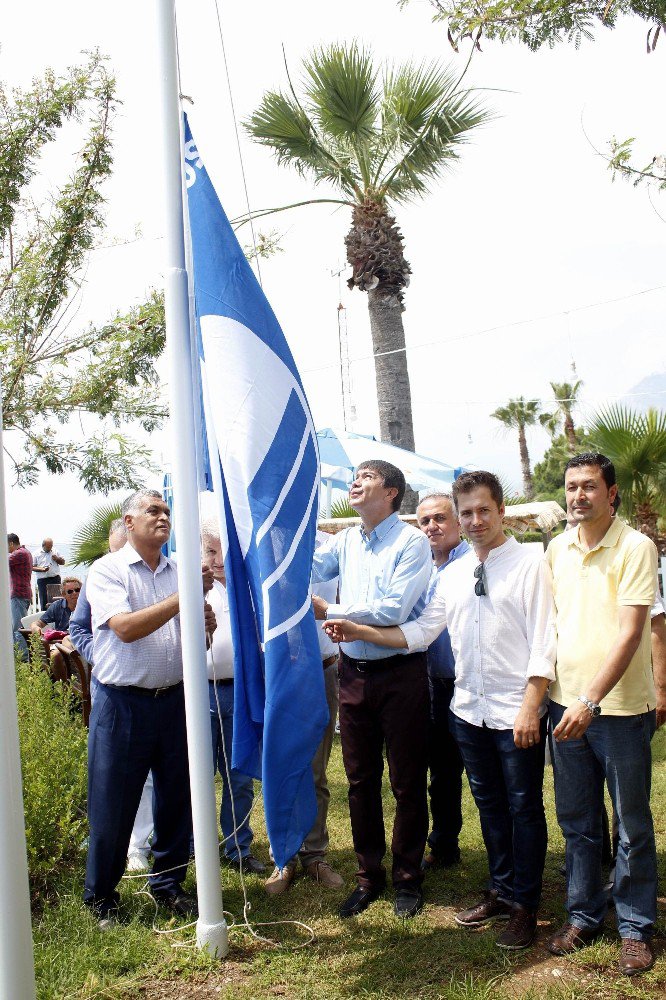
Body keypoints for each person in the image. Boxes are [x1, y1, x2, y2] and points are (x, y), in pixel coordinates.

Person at [324, 471, 556, 950]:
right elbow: (422, 632)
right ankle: (502, 888)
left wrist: (532, 705)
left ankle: (525, 907)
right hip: (468, 709)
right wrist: (358, 632)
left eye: (482, 511)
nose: (474, 521)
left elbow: (544, 641)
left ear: (501, 511)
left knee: (524, 809)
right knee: (490, 808)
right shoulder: (449, 573)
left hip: (516, 710)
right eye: (466, 512)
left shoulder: (530, 563)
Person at [545, 453, 659, 976]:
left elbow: (630, 632)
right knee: (577, 820)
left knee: (630, 822)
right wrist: (560, 699)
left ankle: (635, 926)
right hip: (563, 709)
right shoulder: (556, 550)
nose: (578, 496)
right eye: (572, 487)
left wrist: (589, 702)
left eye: (589, 486)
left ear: (611, 493)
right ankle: (585, 913)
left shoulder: (636, 547)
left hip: (616, 711)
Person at [83, 489, 215, 928]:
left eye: (166, 511)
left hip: (175, 699)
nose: (162, 518)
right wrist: (186, 598)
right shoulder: (107, 571)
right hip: (123, 703)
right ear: (128, 521)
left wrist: (204, 623)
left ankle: (169, 884)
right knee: (114, 803)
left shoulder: (180, 571)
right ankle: (101, 897)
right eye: (152, 511)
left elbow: (198, 636)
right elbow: (123, 629)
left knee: (178, 796)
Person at [312, 460, 432, 919]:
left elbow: (394, 608)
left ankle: (407, 878)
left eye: (366, 478)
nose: (354, 483)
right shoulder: (343, 541)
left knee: (405, 782)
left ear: (392, 493)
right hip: (354, 674)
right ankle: (369, 877)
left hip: (400, 675)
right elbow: (305, 566)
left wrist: (332, 609)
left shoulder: (412, 541)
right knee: (360, 782)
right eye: (354, 478)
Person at [265, 529, 345, 894]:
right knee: (280, 768)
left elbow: (350, 603)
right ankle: (283, 858)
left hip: (322, 671)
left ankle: (315, 855)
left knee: (315, 770)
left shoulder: (334, 546)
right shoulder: (266, 542)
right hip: (279, 673)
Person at [200, 521, 265, 875]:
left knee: (238, 775)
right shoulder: (194, 588)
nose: (218, 559)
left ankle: (238, 846)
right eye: (210, 551)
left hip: (240, 693)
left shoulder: (250, 589)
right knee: (199, 774)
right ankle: (197, 845)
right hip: (201, 692)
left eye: (223, 550)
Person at [415, 493, 469, 871]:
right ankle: (444, 845)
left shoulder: (475, 562)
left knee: (489, 775)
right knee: (441, 769)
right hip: (430, 683)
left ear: (457, 521)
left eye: (439, 518)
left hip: (470, 682)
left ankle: (512, 854)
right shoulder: (418, 567)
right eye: (424, 522)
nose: (432, 527)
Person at [8, 533, 33, 660]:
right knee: (17, 627)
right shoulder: (26, 552)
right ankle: (17, 657)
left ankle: (23, 659)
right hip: (23, 594)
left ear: (11, 543)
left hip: (18, 594)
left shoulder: (19, 554)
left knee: (18, 629)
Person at [32, 537, 65, 610]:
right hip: (43, 580)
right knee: (44, 601)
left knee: (56, 601)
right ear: (43, 545)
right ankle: (45, 619)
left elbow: (63, 562)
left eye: (51, 546)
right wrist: (42, 569)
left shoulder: (55, 551)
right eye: (48, 547)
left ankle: (57, 619)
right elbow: (32, 567)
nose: (50, 548)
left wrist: (57, 559)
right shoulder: (36, 553)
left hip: (55, 579)